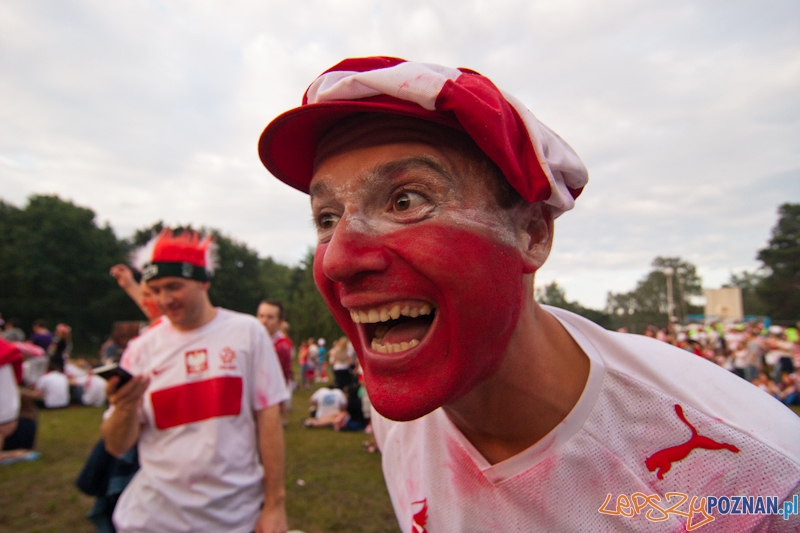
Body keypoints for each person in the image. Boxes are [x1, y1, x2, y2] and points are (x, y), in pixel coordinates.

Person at [258, 56, 800, 531]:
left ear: (533, 234)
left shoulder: (756, 478)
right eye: (326, 218)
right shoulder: (402, 408)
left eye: (406, 200)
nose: (339, 258)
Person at [100, 228, 289, 533]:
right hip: (153, 519)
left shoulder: (247, 333)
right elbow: (117, 444)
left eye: (174, 286)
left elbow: (269, 418)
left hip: (234, 517)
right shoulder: (140, 350)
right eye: (156, 289)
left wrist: (275, 505)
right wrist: (123, 407)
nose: (165, 299)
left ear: (203, 281)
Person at [257, 299, 295, 426]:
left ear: (280, 323)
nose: (264, 321)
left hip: (270, 400)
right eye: (261, 316)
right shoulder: (256, 340)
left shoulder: (281, 346)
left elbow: (278, 380)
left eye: (270, 317)